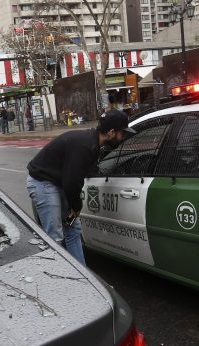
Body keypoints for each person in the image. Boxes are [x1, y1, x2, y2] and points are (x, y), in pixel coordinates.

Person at [26, 110, 135, 266]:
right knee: (55, 237)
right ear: (111, 132)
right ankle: (56, 280)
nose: (123, 138)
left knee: (72, 231)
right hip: (42, 183)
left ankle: (82, 276)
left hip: (58, 183)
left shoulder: (93, 143)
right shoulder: (85, 146)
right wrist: (76, 206)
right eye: (122, 134)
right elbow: (71, 182)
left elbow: (84, 171)